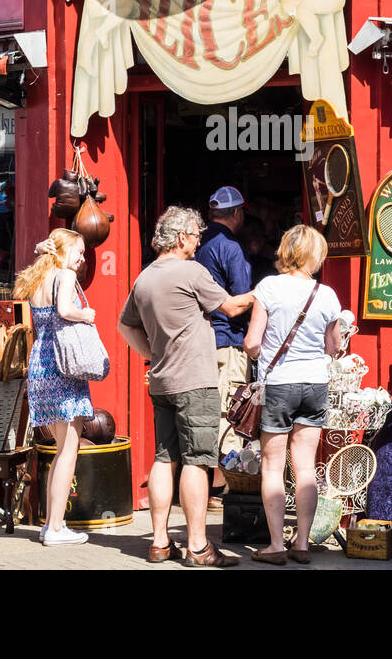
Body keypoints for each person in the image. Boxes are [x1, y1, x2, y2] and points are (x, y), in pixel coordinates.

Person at [117, 206, 253, 567]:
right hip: (195, 381)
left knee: (164, 458)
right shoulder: (191, 272)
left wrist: (152, 354)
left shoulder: (143, 278)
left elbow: (125, 326)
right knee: (197, 461)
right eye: (195, 236)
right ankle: (197, 546)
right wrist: (265, 291)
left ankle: (160, 544)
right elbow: (232, 307)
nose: (198, 243)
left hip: (162, 380)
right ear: (180, 238)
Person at [244, 225, 342, 565]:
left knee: (272, 468)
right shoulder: (326, 294)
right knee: (305, 468)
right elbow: (333, 347)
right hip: (315, 384)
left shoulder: (269, 287)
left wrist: (263, 357)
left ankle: (275, 546)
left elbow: (251, 343)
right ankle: (301, 541)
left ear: (286, 250)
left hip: (280, 384)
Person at [15, 229, 97, 547]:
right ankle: (56, 528)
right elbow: (64, 310)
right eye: (78, 251)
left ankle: (51, 523)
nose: (82, 257)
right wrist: (85, 314)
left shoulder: (40, 277)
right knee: (68, 451)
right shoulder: (62, 275)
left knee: (61, 450)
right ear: (62, 252)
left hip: (42, 365)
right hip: (63, 366)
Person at [197, 185, 253, 506]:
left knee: (209, 412)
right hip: (230, 341)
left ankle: (206, 485)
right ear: (237, 213)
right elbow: (239, 301)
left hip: (204, 340)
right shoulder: (230, 247)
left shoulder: (198, 244)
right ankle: (221, 488)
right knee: (231, 414)